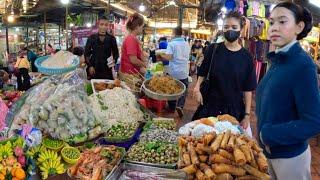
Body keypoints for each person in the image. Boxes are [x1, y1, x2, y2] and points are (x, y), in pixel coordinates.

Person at [256, 2, 320, 180]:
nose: (274, 28)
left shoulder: (303, 65)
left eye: (282, 22)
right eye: (272, 22)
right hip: (271, 153)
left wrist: (269, 134)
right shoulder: (278, 60)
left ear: (299, 27)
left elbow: (314, 121)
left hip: (290, 159)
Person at [193, 11, 257, 134]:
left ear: (241, 29)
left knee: (227, 146)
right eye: (226, 27)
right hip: (210, 106)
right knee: (204, 143)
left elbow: (248, 89)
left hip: (234, 110)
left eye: (234, 27)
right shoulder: (213, 49)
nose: (229, 30)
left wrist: (247, 115)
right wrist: (196, 88)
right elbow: (203, 71)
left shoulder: (247, 57)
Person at [158, 26, 190, 118]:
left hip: (174, 71)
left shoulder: (172, 44)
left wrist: (161, 54)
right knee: (183, 89)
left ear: (174, 33)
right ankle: (180, 106)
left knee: (171, 89)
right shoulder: (186, 43)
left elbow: (169, 57)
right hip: (184, 71)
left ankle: (172, 107)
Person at [85, 15, 119, 80]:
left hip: (107, 69)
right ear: (98, 25)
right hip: (94, 68)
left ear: (108, 26)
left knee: (107, 87)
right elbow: (87, 54)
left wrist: (114, 60)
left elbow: (116, 53)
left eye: (106, 25)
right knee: (94, 86)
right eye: (102, 24)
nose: (103, 26)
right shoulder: (92, 38)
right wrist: (90, 66)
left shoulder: (112, 38)